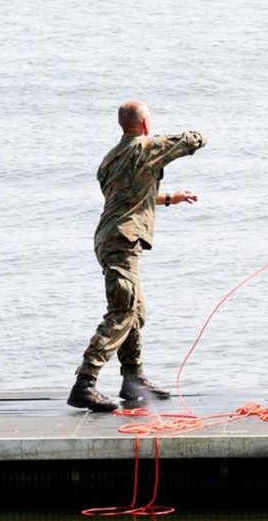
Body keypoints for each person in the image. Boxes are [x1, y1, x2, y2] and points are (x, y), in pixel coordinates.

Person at [68, 101, 206, 412]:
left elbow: (129, 197)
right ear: (144, 125)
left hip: (109, 238)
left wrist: (171, 198)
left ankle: (133, 381)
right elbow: (191, 140)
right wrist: (203, 133)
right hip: (122, 240)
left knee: (135, 310)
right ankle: (84, 383)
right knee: (122, 311)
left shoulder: (109, 160)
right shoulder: (145, 146)